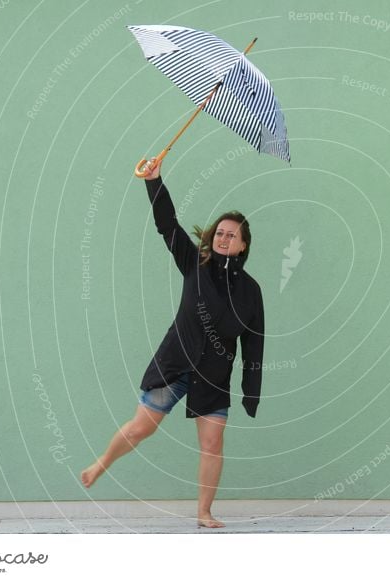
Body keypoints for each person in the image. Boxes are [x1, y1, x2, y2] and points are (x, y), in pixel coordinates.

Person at [81, 157, 265, 528]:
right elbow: (168, 226)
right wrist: (154, 181)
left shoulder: (250, 291)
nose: (223, 237)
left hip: (213, 376)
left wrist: (251, 389)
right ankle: (102, 461)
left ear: (244, 245)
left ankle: (204, 513)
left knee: (212, 445)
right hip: (176, 363)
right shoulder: (194, 262)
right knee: (141, 428)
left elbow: (254, 342)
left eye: (232, 235)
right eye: (220, 232)